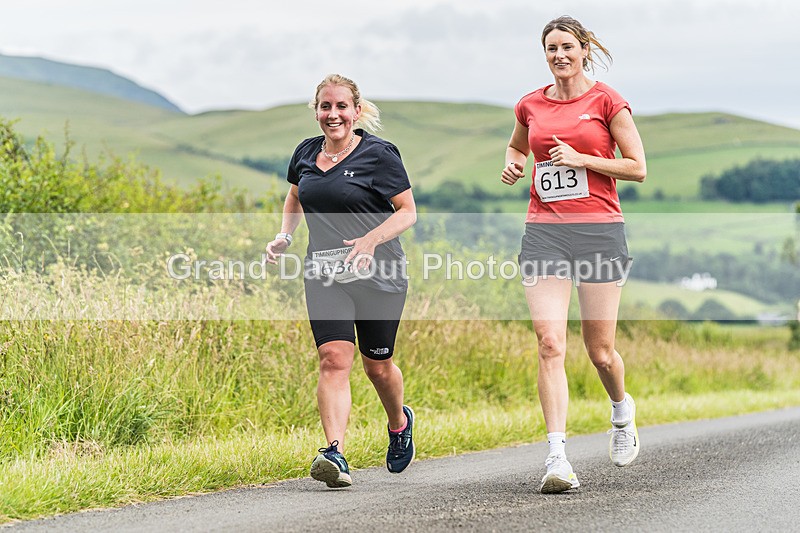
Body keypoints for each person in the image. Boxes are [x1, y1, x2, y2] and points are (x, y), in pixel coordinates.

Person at [500, 16, 647, 494]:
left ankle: (621, 411)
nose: (558, 55)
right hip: (544, 233)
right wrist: (515, 162)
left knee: (599, 351)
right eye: (550, 48)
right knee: (549, 343)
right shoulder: (530, 104)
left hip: (599, 232)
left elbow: (637, 168)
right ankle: (557, 458)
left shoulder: (607, 101)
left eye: (566, 46)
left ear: (584, 49)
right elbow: (518, 144)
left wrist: (582, 159)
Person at [265, 74, 417, 489]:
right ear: (316, 111)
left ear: (357, 110)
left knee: (378, 366)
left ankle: (399, 422)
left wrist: (370, 239)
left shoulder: (379, 155)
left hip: (379, 273)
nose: (333, 115)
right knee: (333, 359)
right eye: (325, 107)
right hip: (325, 272)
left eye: (341, 107)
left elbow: (407, 212)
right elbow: (296, 196)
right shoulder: (306, 152)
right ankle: (335, 452)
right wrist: (285, 236)